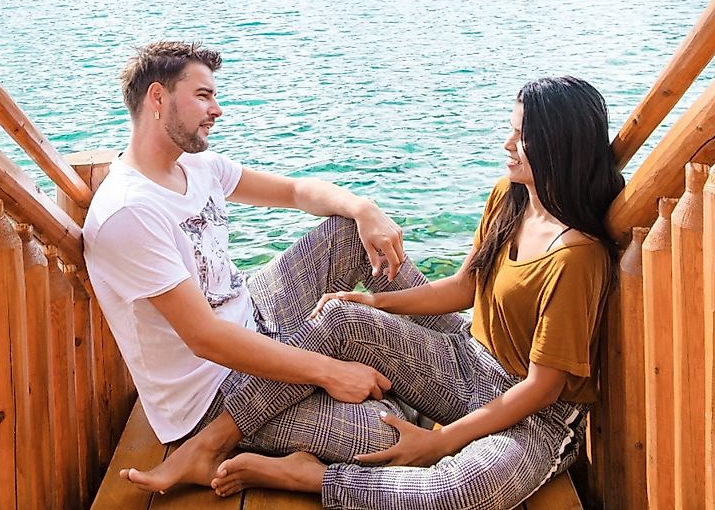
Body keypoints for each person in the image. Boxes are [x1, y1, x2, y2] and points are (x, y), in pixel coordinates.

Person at [130, 75, 623, 510]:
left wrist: (442, 443)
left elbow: (544, 388)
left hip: (534, 416)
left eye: (522, 135)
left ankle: (315, 477)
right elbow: (464, 287)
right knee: (342, 319)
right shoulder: (511, 197)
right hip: (468, 363)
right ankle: (213, 441)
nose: (507, 142)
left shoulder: (576, 257)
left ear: (559, 145)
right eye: (511, 127)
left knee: (462, 492)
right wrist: (373, 302)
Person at [83, 40, 445, 490]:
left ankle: (462, 346)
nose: (217, 109)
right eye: (202, 96)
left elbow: (295, 192)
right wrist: (330, 371)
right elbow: (206, 338)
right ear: (157, 98)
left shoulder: (198, 166)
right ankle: (275, 461)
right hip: (211, 394)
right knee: (386, 433)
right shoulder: (129, 212)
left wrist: (362, 206)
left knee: (348, 231)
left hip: (255, 312)